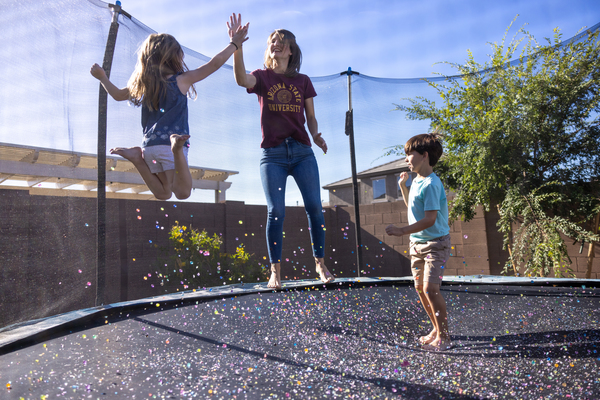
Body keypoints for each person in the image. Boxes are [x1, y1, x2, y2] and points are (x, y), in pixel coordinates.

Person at [228, 14, 334, 289]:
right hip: (272, 154)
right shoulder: (262, 77)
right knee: (276, 211)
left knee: (315, 208)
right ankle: (275, 271)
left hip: (301, 152)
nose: (276, 44)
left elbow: (310, 116)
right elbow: (241, 80)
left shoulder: (303, 81)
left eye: (281, 42)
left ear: (290, 50)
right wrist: (236, 47)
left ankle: (320, 264)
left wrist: (316, 135)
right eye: (272, 41)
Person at [90, 18, 248, 200]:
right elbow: (214, 64)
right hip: (169, 147)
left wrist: (103, 78)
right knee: (182, 192)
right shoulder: (181, 80)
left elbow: (117, 95)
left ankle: (137, 158)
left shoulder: (144, 84)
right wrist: (234, 44)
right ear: (174, 57)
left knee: (164, 193)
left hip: (150, 147)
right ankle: (177, 148)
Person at [385, 133, 452, 351]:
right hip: (417, 245)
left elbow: (430, 219)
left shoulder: (432, 184)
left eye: (409, 154)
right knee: (420, 290)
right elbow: (411, 206)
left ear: (424, 156)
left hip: (435, 243)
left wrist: (401, 231)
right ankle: (436, 328)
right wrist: (404, 186)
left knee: (431, 289)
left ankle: (444, 337)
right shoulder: (416, 181)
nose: (406, 159)